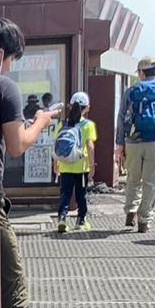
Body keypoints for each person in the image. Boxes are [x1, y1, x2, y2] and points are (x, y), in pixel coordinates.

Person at [0, 20, 74, 308]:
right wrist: (41, 121)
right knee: (11, 284)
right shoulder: (3, 85)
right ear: (1, 54)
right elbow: (16, 144)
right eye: (11, 59)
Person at [116, 58, 155, 232]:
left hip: (133, 142)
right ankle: (144, 220)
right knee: (152, 182)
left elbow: (121, 118)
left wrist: (119, 144)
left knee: (133, 179)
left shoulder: (131, 91)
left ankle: (130, 211)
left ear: (141, 72)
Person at [54, 90, 96, 234]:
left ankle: (62, 219)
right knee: (81, 194)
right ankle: (81, 221)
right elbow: (90, 146)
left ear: (69, 106)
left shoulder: (62, 124)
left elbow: (57, 145)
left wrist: (56, 164)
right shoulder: (88, 125)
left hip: (65, 165)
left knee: (65, 194)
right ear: (87, 108)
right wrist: (92, 165)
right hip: (81, 166)